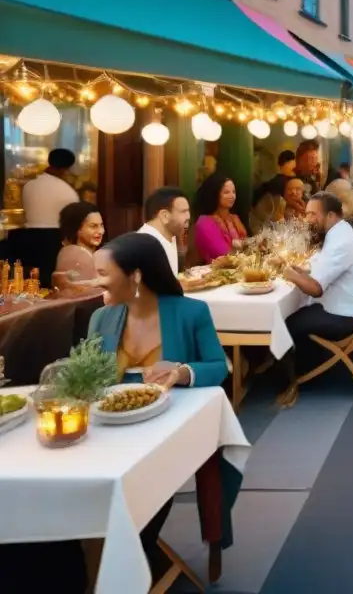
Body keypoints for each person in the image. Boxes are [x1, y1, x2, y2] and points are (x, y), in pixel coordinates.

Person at [88, 233, 233, 576]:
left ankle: (132, 552)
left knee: (149, 472)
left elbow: (218, 366)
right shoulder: (102, 319)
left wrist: (182, 372)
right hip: (112, 427)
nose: (98, 282)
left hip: (170, 425)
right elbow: (88, 377)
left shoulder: (190, 312)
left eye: (104, 273)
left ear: (135, 275)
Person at [283, 192, 353, 374]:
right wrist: (304, 273)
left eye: (313, 214)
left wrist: (288, 274)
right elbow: (325, 269)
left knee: (288, 322)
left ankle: (298, 378)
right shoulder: (341, 231)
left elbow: (316, 290)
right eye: (307, 214)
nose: (308, 219)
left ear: (331, 215)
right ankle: (311, 364)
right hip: (351, 306)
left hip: (348, 315)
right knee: (299, 311)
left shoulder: (340, 241)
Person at [193, 173, 248, 263]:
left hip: (238, 268)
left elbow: (247, 244)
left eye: (234, 192)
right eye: (226, 192)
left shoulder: (234, 218)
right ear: (214, 194)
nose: (232, 196)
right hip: (216, 273)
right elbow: (222, 253)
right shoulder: (205, 222)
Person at [52, 202, 105, 293]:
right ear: (76, 228)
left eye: (101, 225)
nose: (101, 231)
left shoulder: (94, 253)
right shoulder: (75, 254)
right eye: (93, 226)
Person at [22, 148, 80, 229]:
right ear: (65, 170)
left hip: (27, 237)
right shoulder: (68, 192)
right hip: (56, 238)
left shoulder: (28, 185)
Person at [139, 186, 190, 275]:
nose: (188, 216)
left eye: (188, 211)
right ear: (165, 216)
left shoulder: (170, 236)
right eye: (183, 211)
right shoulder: (146, 244)